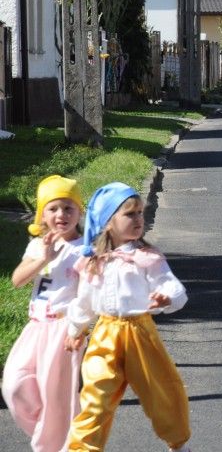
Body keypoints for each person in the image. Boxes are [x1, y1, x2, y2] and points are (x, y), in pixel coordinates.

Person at [64, 184, 191, 452]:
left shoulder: (147, 257)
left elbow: (173, 287)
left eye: (140, 214)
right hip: (105, 336)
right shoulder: (93, 261)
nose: (138, 220)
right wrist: (75, 331)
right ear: (108, 223)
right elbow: (84, 302)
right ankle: (80, 449)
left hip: (140, 334)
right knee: (95, 398)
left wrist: (166, 298)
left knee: (162, 393)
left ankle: (178, 443)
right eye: (130, 214)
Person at [2, 176, 85, 452]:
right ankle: (47, 432)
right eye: (53, 208)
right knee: (14, 383)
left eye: (68, 207)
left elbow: (90, 292)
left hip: (64, 330)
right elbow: (17, 280)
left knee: (58, 397)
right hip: (35, 328)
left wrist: (81, 328)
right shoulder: (38, 245)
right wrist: (43, 259)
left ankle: (56, 445)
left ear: (79, 212)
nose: (61, 214)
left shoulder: (85, 248)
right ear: (42, 214)